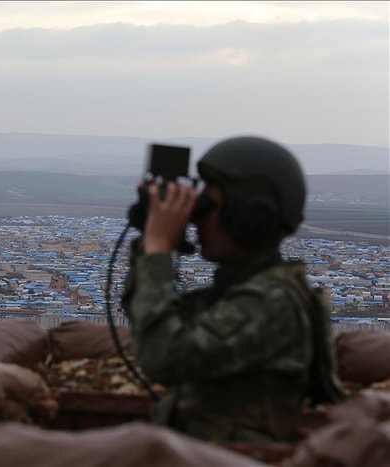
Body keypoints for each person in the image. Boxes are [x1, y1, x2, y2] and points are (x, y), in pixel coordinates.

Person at [121, 135, 344, 443]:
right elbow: (149, 319)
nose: (197, 220)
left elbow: (163, 358)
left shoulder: (271, 302)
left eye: (207, 207)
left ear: (249, 218)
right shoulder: (247, 290)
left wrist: (158, 250)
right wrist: (149, 247)